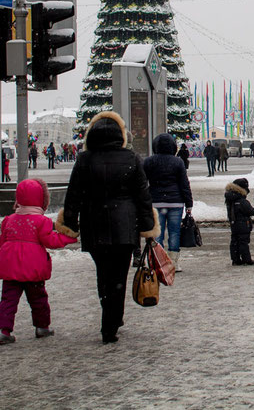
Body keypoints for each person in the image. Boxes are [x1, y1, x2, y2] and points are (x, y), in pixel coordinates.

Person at [63, 111, 158, 344]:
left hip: (93, 224)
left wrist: (70, 223)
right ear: (120, 136)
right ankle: (112, 321)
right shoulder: (132, 159)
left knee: (103, 273)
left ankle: (109, 312)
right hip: (125, 225)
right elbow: (142, 196)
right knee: (119, 275)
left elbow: (73, 194)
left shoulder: (84, 160)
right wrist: (147, 227)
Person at [0, 178, 78, 344]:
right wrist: (68, 237)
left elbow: (3, 242)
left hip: (10, 269)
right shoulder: (41, 222)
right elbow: (51, 241)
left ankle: (3, 330)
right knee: (38, 300)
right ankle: (42, 327)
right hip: (33, 270)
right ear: (42, 200)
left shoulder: (9, 220)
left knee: (8, 300)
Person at [142, 133, 194, 272]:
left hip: (156, 202)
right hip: (175, 203)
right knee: (174, 232)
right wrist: (189, 203)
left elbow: (142, 183)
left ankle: (158, 261)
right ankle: (173, 262)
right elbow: (184, 184)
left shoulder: (149, 161)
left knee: (157, 234)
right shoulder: (178, 162)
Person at [225, 177, 254, 265]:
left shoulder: (230, 199)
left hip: (234, 224)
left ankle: (235, 259)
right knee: (243, 242)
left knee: (234, 241)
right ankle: (246, 259)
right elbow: (251, 211)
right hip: (244, 225)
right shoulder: (242, 201)